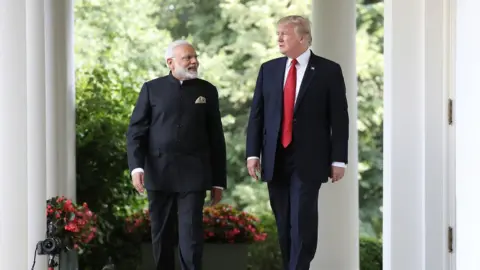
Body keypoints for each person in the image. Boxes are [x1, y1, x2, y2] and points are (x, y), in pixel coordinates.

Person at [245, 15, 349, 270]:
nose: (278, 38)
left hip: (309, 160)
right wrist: (252, 154)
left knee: (302, 221)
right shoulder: (268, 69)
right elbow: (256, 114)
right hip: (274, 158)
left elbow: (340, 118)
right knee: (283, 222)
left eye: (285, 34)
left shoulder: (328, 70)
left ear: (302, 38)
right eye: (278, 33)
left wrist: (339, 159)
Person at [126, 40, 227, 270]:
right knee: (161, 235)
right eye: (187, 58)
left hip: (194, 174)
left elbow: (216, 138)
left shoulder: (207, 90)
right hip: (158, 173)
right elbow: (135, 132)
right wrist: (136, 168)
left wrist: (218, 180)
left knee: (191, 236)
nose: (194, 61)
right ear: (170, 63)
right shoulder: (151, 89)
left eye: (195, 57)